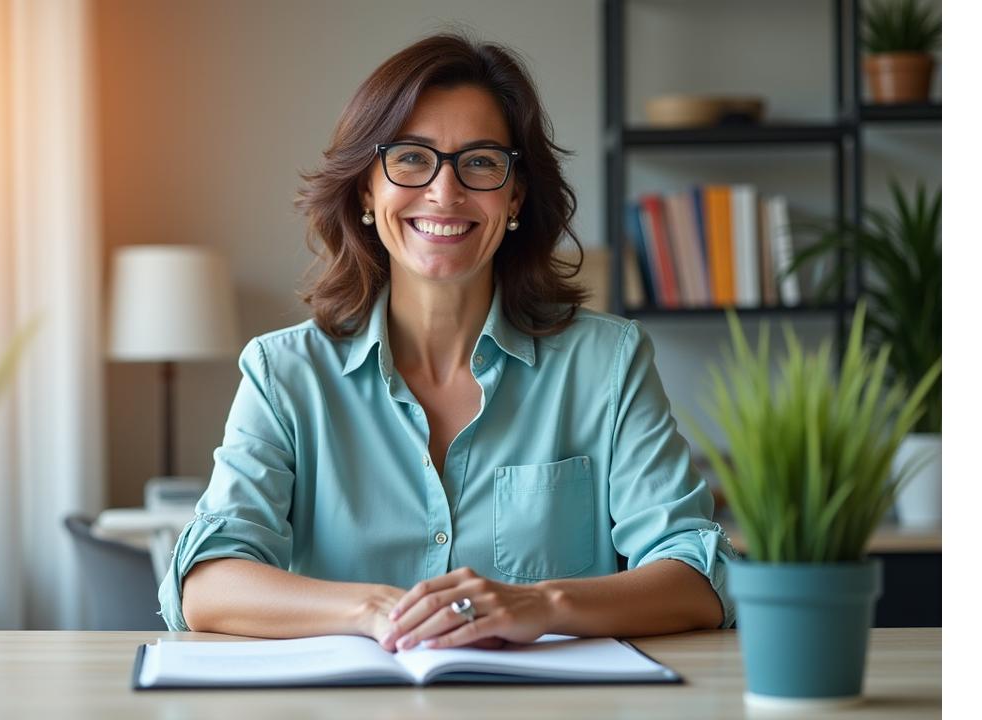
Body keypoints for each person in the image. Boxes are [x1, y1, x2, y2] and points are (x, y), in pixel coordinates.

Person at [158, 33, 735, 651]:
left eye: (482, 161)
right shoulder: (283, 374)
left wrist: (541, 604)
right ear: (365, 190)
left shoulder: (609, 364)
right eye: (410, 157)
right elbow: (207, 584)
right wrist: (376, 610)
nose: (444, 191)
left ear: (515, 195)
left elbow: (697, 578)